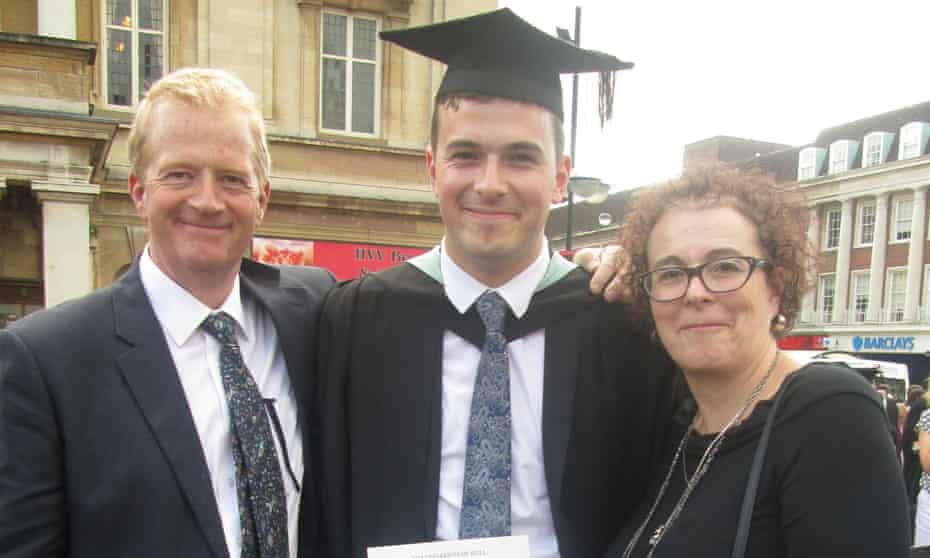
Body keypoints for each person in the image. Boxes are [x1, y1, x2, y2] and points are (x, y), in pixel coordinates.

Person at [316, 9, 678, 558]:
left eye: (520, 158)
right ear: (432, 166)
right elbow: (324, 505)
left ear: (560, 177)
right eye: (466, 156)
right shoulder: (356, 320)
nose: (490, 184)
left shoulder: (618, 324)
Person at [0, 68, 335, 558]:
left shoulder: (313, 310)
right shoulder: (45, 362)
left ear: (261, 199)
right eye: (179, 174)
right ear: (139, 191)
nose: (206, 200)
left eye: (232, 179)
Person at [603, 164, 909, 557]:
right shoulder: (677, 430)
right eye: (670, 272)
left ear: (776, 289)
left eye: (726, 267)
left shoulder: (828, 412)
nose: (695, 292)